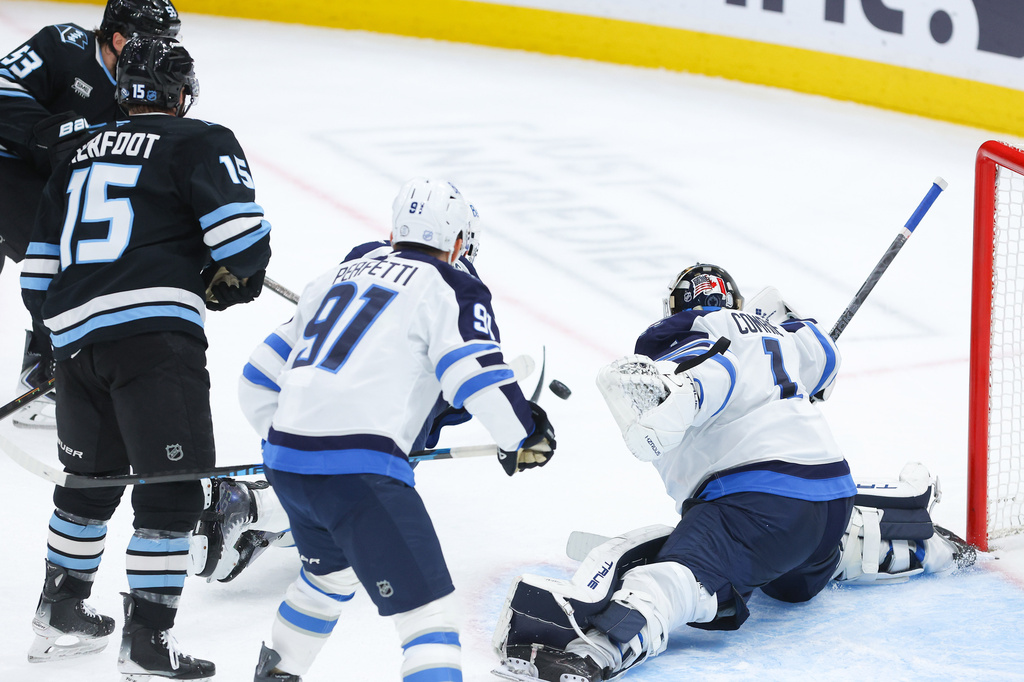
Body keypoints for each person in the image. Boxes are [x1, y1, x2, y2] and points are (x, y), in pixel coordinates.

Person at [491, 264, 976, 682]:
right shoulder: (780, 335)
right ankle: (912, 547)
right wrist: (791, 323)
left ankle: (598, 649)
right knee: (790, 583)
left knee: (684, 573)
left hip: (756, 505)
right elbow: (826, 357)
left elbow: (709, 378)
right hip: (831, 498)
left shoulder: (686, 337)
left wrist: (667, 407)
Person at [19, 34, 270, 679]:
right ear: (181, 93)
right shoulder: (199, 140)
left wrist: (74, 334)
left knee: (89, 485)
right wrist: (228, 278)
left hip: (75, 341)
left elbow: (35, 277)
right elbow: (243, 244)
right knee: (172, 489)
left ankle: (61, 613)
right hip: (154, 342)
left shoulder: (76, 152)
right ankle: (147, 643)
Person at [238, 177, 555, 682]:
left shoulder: (336, 276)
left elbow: (255, 380)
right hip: (358, 474)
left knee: (328, 578)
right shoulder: (450, 283)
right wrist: (525, 435)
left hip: (286, 465)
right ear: (457, 242)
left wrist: (299, 439)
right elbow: (476, 377)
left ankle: (277, 675)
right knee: (428, 617)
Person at [191, 210, 487, 585]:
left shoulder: (365, 253)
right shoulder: (460, 280)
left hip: (295, 379)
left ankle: (256, 533)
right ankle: (250, 505)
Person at [1, 0, 182, 428]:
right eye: (153, 41)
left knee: (81, 252)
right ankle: (45, 363)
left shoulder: (136, 87)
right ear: (118, 39)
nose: (162, 52)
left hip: (47, 191)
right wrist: (50, 131)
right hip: (6, 166)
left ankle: (46, 364)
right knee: (68, 251)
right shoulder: (63, 45)